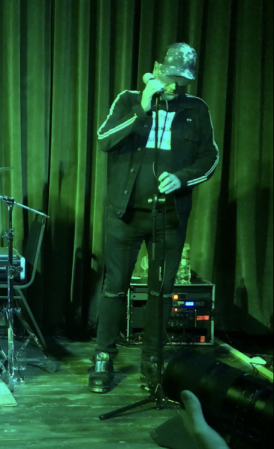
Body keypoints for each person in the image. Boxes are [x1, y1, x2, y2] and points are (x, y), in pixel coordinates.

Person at [90, 43, 219, 392]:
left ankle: (153, 359)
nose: (175, 85)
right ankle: (103, 356)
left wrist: (182, 178)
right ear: (157, 67)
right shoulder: (128, 100)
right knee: (114, 288)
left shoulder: (196, 109)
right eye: (171, 76)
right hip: (124, 214)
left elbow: (210, 156)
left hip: (169, 217)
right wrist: (142, 107)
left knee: (162, 292)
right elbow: (104, 140)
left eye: (182, 80)